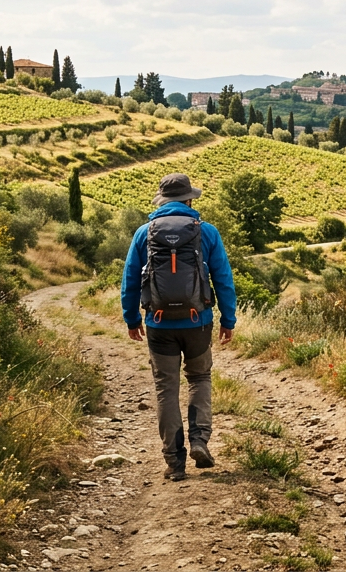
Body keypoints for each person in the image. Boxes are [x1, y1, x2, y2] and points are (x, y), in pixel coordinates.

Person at [121, 173, 237, 482]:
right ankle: (199, 440)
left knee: (166, 388)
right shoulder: (207, 232)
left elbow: (130, 280)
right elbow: (223, 279)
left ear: (161, 202)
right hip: (198, 322)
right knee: (199, 377)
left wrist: (131, 318)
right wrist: (229, 320)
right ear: (189, 200)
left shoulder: (143, 233)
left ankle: (174, 462)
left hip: (158, 324)